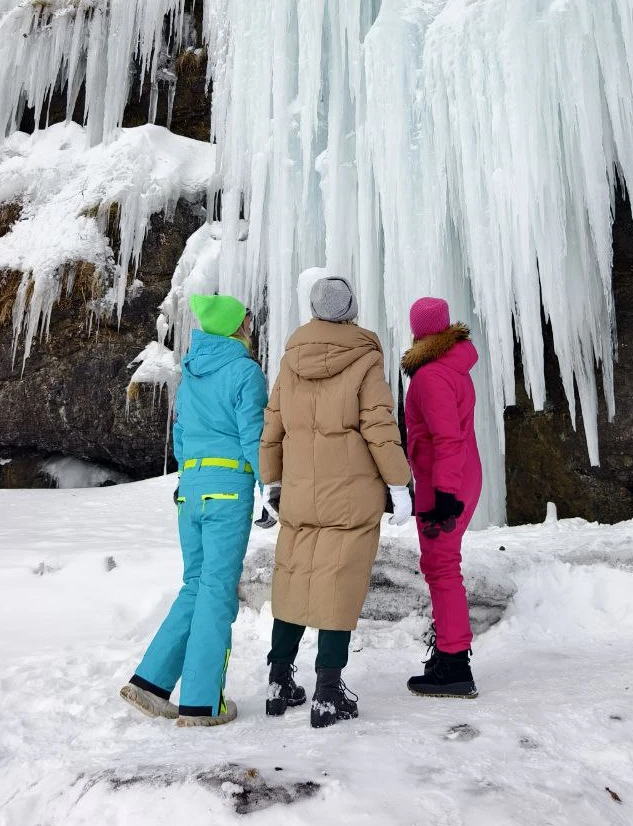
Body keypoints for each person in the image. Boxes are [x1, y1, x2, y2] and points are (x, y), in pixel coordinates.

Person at [260, 275, 413, 728]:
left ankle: (278, 678)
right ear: (351, 309)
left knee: (294, 580)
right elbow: (379, 427)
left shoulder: (291, 359)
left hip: (301, 493)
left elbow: (273, 427)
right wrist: (400, 485)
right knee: (337, 586)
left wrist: (270, 483)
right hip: (351, 495)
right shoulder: (365, 357)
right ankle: (329, 691)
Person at [120, 294, 268, 727]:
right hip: (227, 491)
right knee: (217, 591)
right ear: (237, 329)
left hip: (191, 491)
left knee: (196, 585)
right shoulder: (245, 372)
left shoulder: (191, 375)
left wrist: (189, 480)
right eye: (246, 324)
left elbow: (181, 438)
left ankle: (150, 682)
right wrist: (270, 487)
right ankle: (203, 702)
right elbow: (252, 436)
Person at [402, 297, 482, 698]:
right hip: (457, 475)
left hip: (445, 482)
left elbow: (446, 438)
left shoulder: (432, 375)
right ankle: (450, 654)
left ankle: (453, 664)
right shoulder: (451, 366)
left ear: (418, 330)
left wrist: (445, 496)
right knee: (441, 565)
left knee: (442, 567)